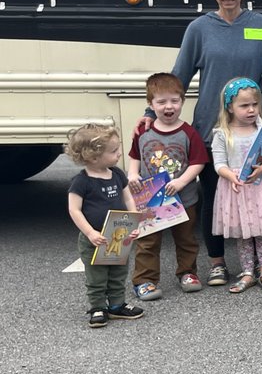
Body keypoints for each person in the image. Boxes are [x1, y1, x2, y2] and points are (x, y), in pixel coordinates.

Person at [169, 0, 262, 288]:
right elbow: (180, 76)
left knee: (256, 193)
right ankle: (217, 261)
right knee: (215, 195)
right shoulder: (199, 29)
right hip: (211, 129)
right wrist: (151, 115)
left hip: (253, 129)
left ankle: (261, 265)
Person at [128, 72, 208, 301]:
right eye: (161, 102)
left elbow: (198, 162)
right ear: (150, 104)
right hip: (150, 197)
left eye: (174, 100)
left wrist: (182, 181)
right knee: (147, 242)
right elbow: (134, 155)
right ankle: (145, 280)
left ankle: (188, 273)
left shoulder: (188, 133)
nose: (168, 106)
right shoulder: (143, 132)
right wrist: (133, 174)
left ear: (182, 101)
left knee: (186, 239)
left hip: (184, 198)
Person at [66, 123, 145, 329]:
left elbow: (128, 199)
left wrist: (133, 221)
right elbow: (74, 210)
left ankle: (117, 305)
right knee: (97, 274)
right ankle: (98, 307)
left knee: (119, 272)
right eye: (113, 151)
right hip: (95, 239)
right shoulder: (81, 182)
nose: (119, 154)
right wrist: (90, 233)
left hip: (119, 234)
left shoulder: (117, 174)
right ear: (93, 157)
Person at [211, 78, 262, 294]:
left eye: (254, 104)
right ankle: (247, 272)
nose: (251, 110)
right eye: (244, 105)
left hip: (260, 190)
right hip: (237, 190)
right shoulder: (223, 134)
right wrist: (230, 176)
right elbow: (219, 164)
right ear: (229, 107)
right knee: (243, 235)